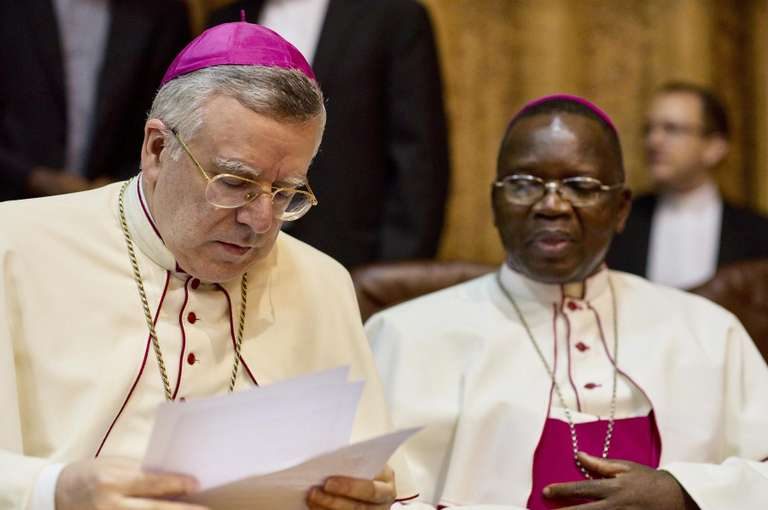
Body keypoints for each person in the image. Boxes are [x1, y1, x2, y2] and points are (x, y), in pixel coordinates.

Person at [0, 20, 412, 510]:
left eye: (286, 193)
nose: (261, 221)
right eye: (235, 183)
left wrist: (371, 493)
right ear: (157, 149)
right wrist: (53, 489)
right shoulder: (14, 245)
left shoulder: (322, 281)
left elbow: (379, 477)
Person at [367, 95, 768, 509]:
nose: (552, 205)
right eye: (524, 185)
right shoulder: (403, 335)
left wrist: (684, 493)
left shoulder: (708, 331)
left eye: (581, 187)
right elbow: (360, 494)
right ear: (495, 203)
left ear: (621, 209)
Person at [210, 0, 450, 268]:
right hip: (233, 249)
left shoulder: (394, 16)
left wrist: (391, 277)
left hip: (349, 255)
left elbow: (419, 159)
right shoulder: (225, 19)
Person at [0, 0, 190, 200]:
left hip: (115, 205)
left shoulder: (163, 12)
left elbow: (171, 119)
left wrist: (122, 182)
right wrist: (31, 176)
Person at [606, 82, 768, 288]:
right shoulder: (619, 222)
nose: (653, 141)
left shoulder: (757, 234)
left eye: (671, 129)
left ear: (714, 148)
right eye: (649, 129)